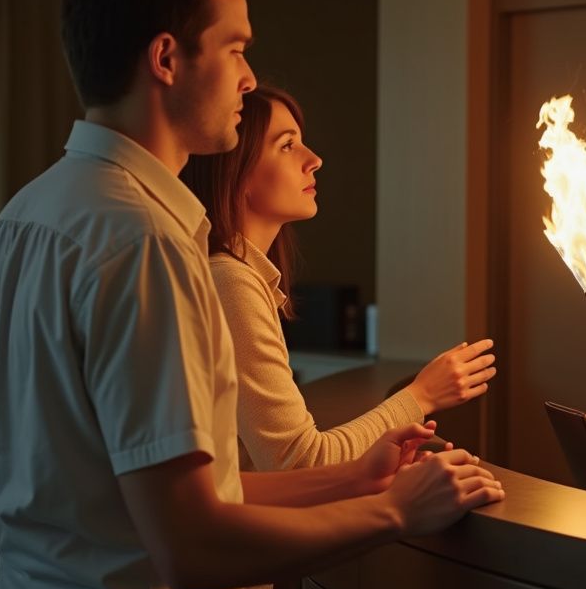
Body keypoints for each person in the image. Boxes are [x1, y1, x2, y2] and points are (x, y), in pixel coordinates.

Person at [0, 0, 503, 589]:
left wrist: (347, 476)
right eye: (236, 50)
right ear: (166, 59)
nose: (248, 80)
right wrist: (393, 510)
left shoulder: (22, 217)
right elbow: (191, 547)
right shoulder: (143, 244)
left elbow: (160, 493)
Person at [181, 86, 497, 472]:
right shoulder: (230, 283)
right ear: (236, 170)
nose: (313, 159)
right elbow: (299, 462)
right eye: (287, 145)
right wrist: (423, 394)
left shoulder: (238, 278)